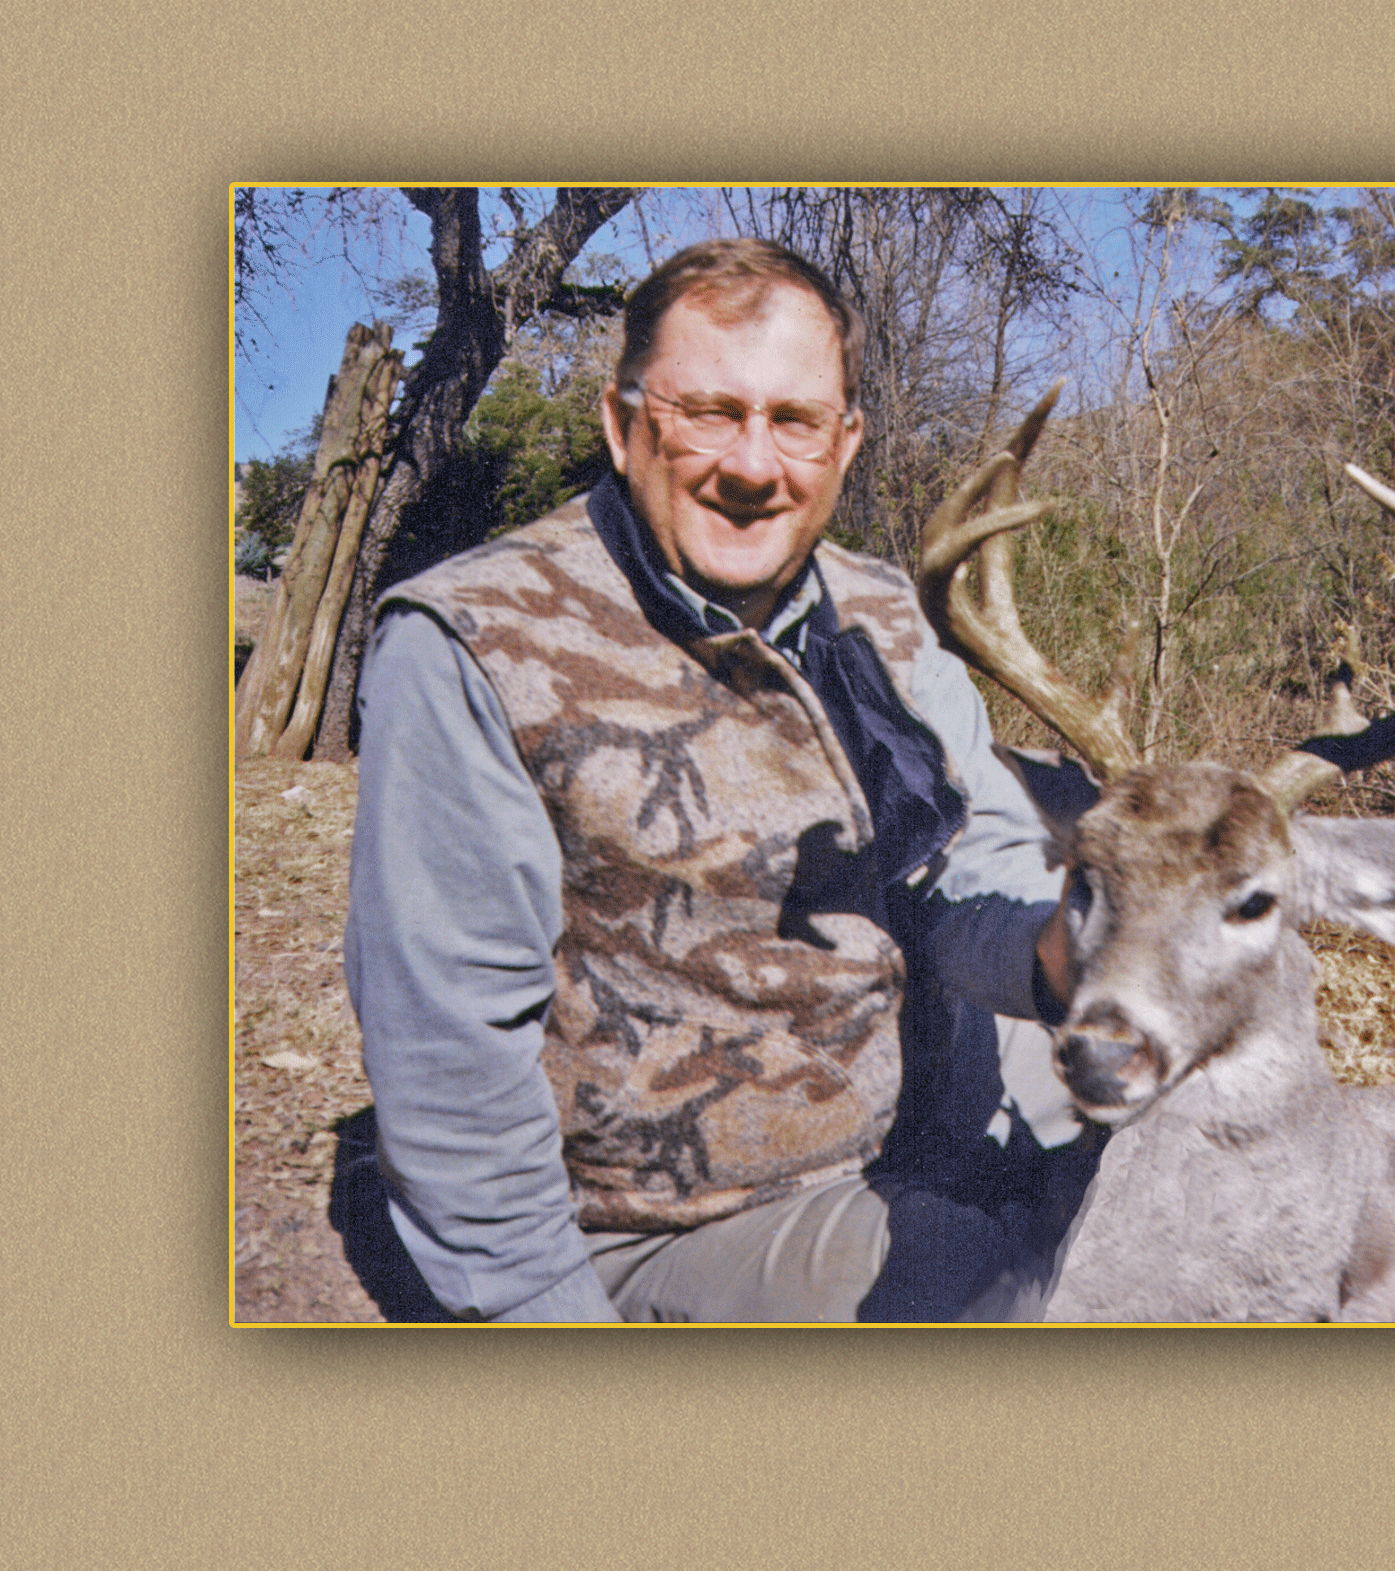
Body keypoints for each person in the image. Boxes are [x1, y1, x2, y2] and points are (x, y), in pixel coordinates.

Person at [341, 238, 1095, 1323]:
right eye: (707, 412)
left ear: (845, 442)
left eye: (794, 421)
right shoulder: (476, 641)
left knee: (1199, 1142)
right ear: (622, 425)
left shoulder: (890, 615)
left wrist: (1062, 949)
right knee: (1000, 1286)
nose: (753, 465)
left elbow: (964, 882)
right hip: (681, 1216)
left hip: (921, 1122)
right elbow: (449, 1050)